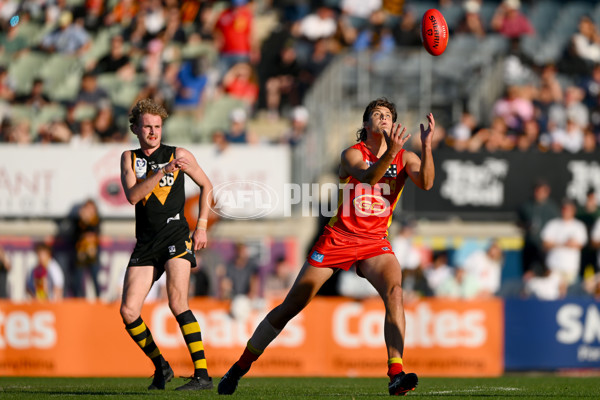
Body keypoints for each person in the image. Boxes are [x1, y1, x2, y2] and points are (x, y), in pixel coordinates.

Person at [218, 98, 436, 396]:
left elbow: (426, 183)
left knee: (395, 292)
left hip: (374, 242)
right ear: (365, 124)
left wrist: (426, 147)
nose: (383, 118)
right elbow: (370, 178)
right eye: (377, 114)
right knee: (292, 306)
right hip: (338, 239)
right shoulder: (351, 154)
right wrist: (394, 152)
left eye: (387, 115)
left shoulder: (406, 156)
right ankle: (239, 367)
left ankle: (396, 372)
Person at [119, 98, 214, 391]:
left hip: (175, 237)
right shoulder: (129, 158)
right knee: (128, 312)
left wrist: (201, 226)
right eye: (147, 126)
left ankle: (202, 375)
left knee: (177, 302)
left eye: (157, 126)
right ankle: (161, 366)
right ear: (135, 128)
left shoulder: (179, 154)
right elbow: (134, 196)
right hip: (146, 243)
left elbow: (207, 186)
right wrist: (162, 171)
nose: (153, 132)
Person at [71, 199, 102, 299]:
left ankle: (98, 299)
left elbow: (93, 232)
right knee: (78, 278)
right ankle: (78, 298)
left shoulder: (96, 220)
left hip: (93, 253)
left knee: (95, 277)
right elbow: (76, 234)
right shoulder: (78, 221)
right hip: (81, 253)